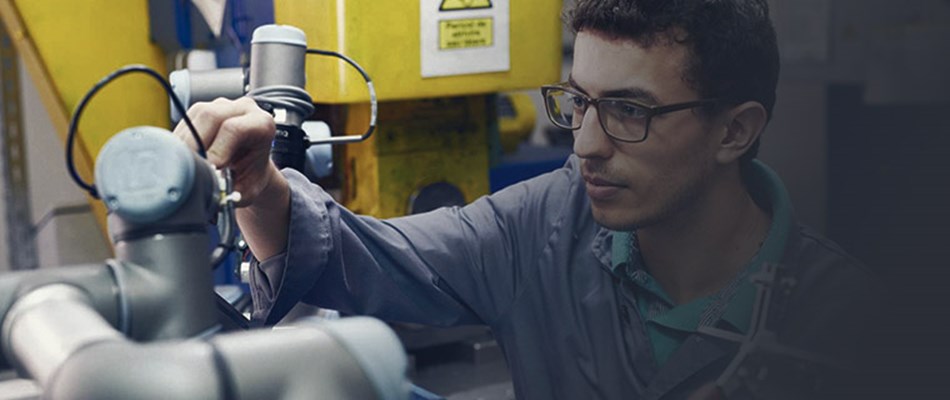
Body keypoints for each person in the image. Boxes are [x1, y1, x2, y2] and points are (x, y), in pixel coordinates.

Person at [175, 0, 874, 398]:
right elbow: (365, 258)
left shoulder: (845, 318)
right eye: (578, 103)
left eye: (629, 111)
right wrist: (259, 186)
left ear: (736, 130)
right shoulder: (546, 223)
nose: (588, 145)